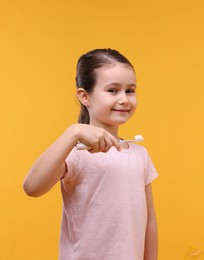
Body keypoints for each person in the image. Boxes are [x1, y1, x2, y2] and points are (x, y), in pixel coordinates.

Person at [23, 49, 158, 260]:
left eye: (130, 91)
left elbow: (149, 221)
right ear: (85, 96)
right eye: (113, 90)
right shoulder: (75, 152)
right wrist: (73, 132)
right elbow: (32, 187)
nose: (124, 99)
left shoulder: (140, 154)